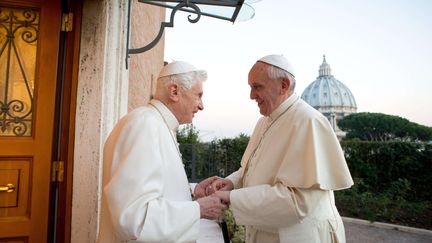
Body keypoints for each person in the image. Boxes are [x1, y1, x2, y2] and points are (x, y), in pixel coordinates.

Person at [196, 54, 354, 243]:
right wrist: (231, 183)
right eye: (250, 87)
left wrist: (232, 197)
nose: (251, 95)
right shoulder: (264, 122)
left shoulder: (308, 121)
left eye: (257, 87)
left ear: (284, 85)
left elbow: (298, 201)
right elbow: (251, 169)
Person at [98, 61, 227, 243]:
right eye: (198, 96)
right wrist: (198, 209)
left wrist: (193, 195)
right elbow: (135, 220)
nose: (201, 105)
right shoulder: (145, 125)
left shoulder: (158, 124)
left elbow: (156, 194)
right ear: (174, 92)